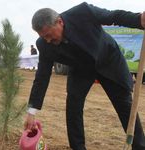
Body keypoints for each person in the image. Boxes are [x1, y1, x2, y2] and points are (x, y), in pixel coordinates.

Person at [24, 3, 145, 150]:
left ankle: (140, 146)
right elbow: (42, 77)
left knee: (125, 105)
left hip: (108, 60)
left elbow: (113, 16)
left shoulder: (83, 12)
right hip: (81, 69)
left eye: (49, 35)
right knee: (73, 107)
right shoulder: (44, 45)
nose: (48, 40)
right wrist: (32, 111)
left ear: (60, 22)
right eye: (44, 37)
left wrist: (139, 19)